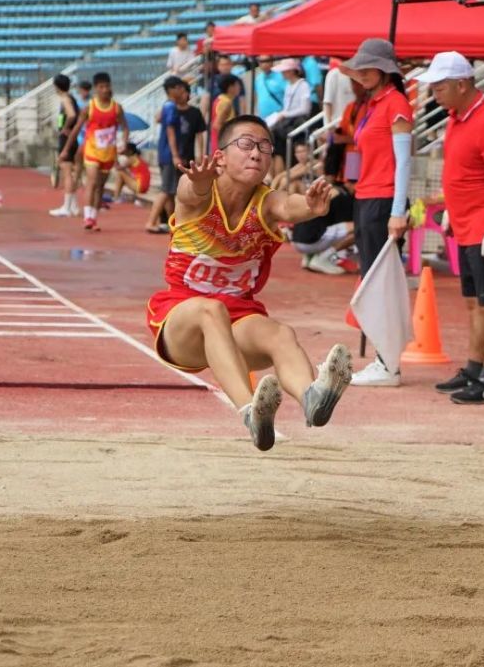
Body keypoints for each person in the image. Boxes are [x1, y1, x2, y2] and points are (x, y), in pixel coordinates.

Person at [145, 114, 353, 451]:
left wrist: (313, 208)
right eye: (246, 144)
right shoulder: (201, 192)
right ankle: (249, 412)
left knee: (280, 333)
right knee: (210, 310)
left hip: (239, 320)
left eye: (264, 147)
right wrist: (199, 181)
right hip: (182, 321)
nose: (256, 153)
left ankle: (313, 397)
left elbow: (289, 205)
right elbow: (189, 191)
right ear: (221, 156)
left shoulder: (266, 202)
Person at [417, 51, 484, 405]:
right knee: (474, 303)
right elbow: (461, 172)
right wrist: (450, 210)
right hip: (466, 223)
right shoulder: (456, 117)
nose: (434, 94)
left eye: (439, 87)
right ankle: (474, 368)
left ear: (462, 84)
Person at [337, 38, 414, 387]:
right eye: (359, 68)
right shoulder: (372, 104)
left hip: (383, 201)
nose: (361, 74)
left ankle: (388, 363)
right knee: (371, 280)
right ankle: (386, 360)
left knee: (378, 283)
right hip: (367, 197)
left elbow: (403, 163)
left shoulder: (395, 103)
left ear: (384, 70)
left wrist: (398, 211)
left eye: (367, 68)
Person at [62, 72, 129, 231]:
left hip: (108, 153)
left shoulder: (117, 108)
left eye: (107, 86)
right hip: (91, 151)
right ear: (96, 89)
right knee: (91, 182)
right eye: (101, 87)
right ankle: (88, 218)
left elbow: (125, 127)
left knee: (100, 186)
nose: (105, 89)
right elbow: (76, 129)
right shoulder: (89, 108)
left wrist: (124, 142)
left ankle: (93, 216)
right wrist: (66, 150)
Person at [292, 184, 356, 276]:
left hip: (296, 240)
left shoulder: (331, 190)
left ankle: (309, 257)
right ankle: (322, 258)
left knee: (321, 225)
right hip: (310, 240)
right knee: (359, 228)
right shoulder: (344, 196)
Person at [148, 76, 186, 233]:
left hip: (164, 153)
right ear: (172, 90)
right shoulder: (171, 107)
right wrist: (176, 154)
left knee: (170, 191)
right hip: (169, 153)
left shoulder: (167, 106)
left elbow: (158, 119)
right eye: (179, 88)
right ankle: (151, 221)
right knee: (166, 190)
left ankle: (173, 223)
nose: (182, 91)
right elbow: (171, 130)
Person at [269, 58, 312, 180]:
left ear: (292, 71)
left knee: (282, 148)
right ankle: (275, 176)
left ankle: (281, 175)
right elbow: (287, 107)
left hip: (296, 123)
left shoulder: (303, 85)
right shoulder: (288, 86)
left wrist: (285, 114)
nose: (282, 74)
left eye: (285, 71)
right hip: (286, 122)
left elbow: (305, 109)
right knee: (275, 148)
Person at [49, 74, 81, 217]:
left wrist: (65, 128)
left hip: (67, 138)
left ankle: (67, 207)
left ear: (57, 86)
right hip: (73, 138)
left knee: (67, 173)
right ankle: (73, 206)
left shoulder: (65, 99)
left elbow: (72, 115)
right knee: (71, 173)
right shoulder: (72, 98)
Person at [210, 74, 239, 152]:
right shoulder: (226, 103)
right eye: (236, 85)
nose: (239, 88)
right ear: (230, 88)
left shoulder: (220, 99)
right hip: (222, 145)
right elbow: (217, 125)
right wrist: (229, 141)